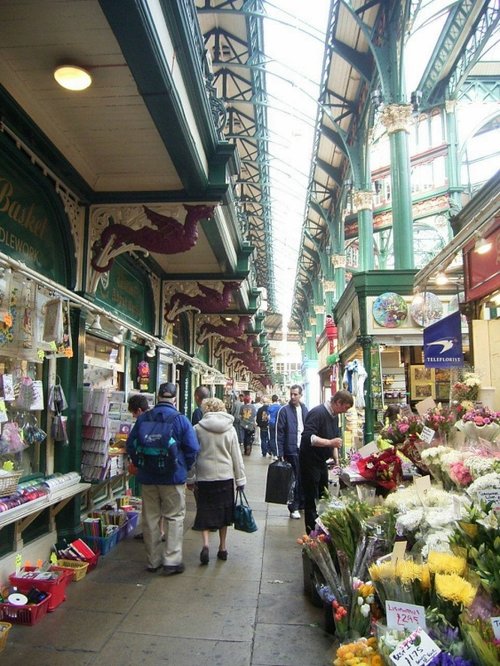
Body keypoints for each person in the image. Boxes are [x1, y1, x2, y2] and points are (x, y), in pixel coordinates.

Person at [126, 382, 199, 575]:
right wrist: (184, 466)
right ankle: (172, 561)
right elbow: (192, 448)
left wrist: (141, 464)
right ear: (174, 399)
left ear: (158, 396)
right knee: (174, 517)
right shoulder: (181, 420)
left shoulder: (144, 418)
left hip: (148, 478)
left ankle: (153, 561)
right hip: (173, 477)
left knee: (150, 518)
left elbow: (131, 445)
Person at [187, 397, 246, 564]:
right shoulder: (230, 429)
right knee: (224, 512)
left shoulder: (197, 428)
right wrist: (240, 479)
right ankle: (222, 547)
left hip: (204, 477)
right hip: (225, 477)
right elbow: (236, 456)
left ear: (205, 409)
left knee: (205, 510)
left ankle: (205, 545)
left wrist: (190, 478)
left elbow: (192, 456)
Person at [299, 390, 354, 534]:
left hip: (322, 462)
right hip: (309, 462)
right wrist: (329, 442)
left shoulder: (334, 416)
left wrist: (336, 461)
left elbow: (334, 441)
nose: (345, 411)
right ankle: (311, 533)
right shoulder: (317, 413)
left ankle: (321, 530)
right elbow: (308, 437)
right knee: (311, 498)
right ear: (338, 402)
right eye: (345, 408)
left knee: (324, 496)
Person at [276, 385, 308, 519]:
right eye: (292, 394)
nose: (293, 397)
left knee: (302, 478)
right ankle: (293, 506)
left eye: (295, 394)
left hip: (304, 449)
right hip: (291, 450)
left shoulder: (305, 409)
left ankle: (301, 503)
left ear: (301, 395)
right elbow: (279, 432)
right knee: (294, 479)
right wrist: (280, 452)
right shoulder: (284, 411)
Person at [267, 394, 280, 459]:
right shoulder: (280, 407)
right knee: (277, 438)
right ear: (277, 399)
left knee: (272, 438)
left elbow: (268, 417)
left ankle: (273, 453)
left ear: (272, 400)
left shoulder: (269, 407)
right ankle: (277, 453)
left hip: (271, 423)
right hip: (278, 424)